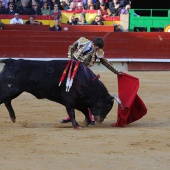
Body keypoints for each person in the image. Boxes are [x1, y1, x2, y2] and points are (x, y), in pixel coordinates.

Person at [60, 37, 122, 124]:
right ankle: (71, 116)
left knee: (86, 94)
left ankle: (88, 117)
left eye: (98, 49)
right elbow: (71, 47)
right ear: (92, 44)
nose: (96, 50)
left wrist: (117, 71)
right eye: (96, 48)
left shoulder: (98, 52)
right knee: (71, 94)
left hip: (83, 73)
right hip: (72, 70)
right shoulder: (82, 41)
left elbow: (105, 62)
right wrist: (70, 60)